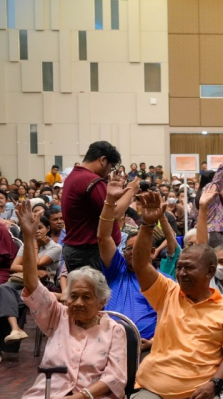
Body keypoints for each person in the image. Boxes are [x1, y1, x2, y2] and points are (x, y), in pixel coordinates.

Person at [103, 191, 223, 399]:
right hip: (155, 389)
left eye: (189, 268)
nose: (181, 273)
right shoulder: (167, 292)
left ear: (210, 272)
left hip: (203, 390)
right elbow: (141, 263)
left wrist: (215, 383)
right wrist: (147, 224)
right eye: (179, 267)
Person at [0, 201, 126, 399]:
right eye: (73, 296)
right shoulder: (59, 316)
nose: (77, 303)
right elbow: (32, 284)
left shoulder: (114, 330)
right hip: (46, 393)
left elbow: (115, 377)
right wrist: (28, 236)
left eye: (86, 297)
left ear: (102, 301)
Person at [97, 176, 158, 349]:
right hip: (106, 342)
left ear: (152, 252)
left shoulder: (163, 280)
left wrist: (154, 342)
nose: (133, 253)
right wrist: (110, 201)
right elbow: (103, 237)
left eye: (139, 248)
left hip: (146, 346)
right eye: (129, 249)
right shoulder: (117, 268)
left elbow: (173, 319)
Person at [62, 141, 131, 272]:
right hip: (90, 252)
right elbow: (114, 213)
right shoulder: (91, 181)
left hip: (78, 250)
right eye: (111, 167)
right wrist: (131, 191)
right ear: (103, 160)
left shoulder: (74, 176)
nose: (109, 173)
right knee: (95, 286)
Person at [0, 213, 62, 344]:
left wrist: (35, 245)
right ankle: (15, 328)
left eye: (40, 227)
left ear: (48, 229)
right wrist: (35, 271)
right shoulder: (25, 245)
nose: (36, 231)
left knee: (7, 299)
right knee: (3, 288)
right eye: (34, 228)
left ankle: (13, 332)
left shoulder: (55, 247)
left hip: (42, 285)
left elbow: (36, 263)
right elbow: (14, 266)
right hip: (21, 280)